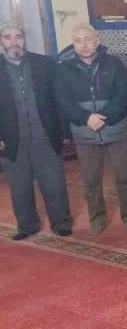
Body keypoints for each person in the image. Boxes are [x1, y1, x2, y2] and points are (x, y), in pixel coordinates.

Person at [55, 22, 127, 235]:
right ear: (73, 43)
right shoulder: (64, 69)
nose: (83, 45)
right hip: (85, 133)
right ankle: (97, 219)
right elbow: (63, 101)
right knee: (91, 180)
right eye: (78, 41)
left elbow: (123, 95)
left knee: (124, 177)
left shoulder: (114, 63)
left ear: (97, 40)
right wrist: (86, 118)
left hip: (116, 130)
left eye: (88, 39)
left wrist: (104, 117)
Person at [0, 21, 72, 240]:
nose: (14, 42)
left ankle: (61, 222)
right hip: (12, 140)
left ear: (24, 40)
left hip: (45, 136)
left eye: (18, 37)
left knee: (54, 183)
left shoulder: (44, 64)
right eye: (8, 37)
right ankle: (27, 225)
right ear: (1, 42)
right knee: (20, 187)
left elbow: (60, 98)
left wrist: (64, 131)